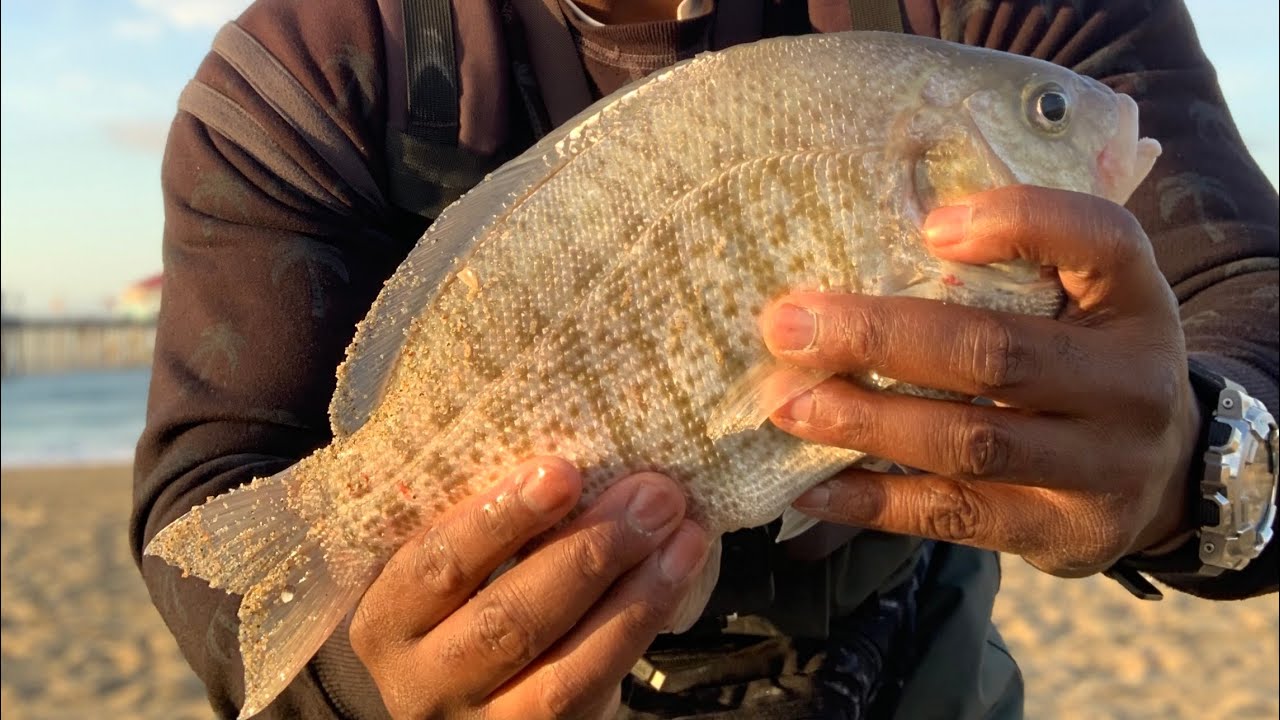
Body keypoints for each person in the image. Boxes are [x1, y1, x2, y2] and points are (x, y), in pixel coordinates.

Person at [130, 1, 1279, 718]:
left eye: (1036, 115)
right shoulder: (303, 73)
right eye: (1044, 116)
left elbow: (1248, 296)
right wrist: (370, 690)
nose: (1080, 121)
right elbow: (214, 519)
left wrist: (1194, 462)